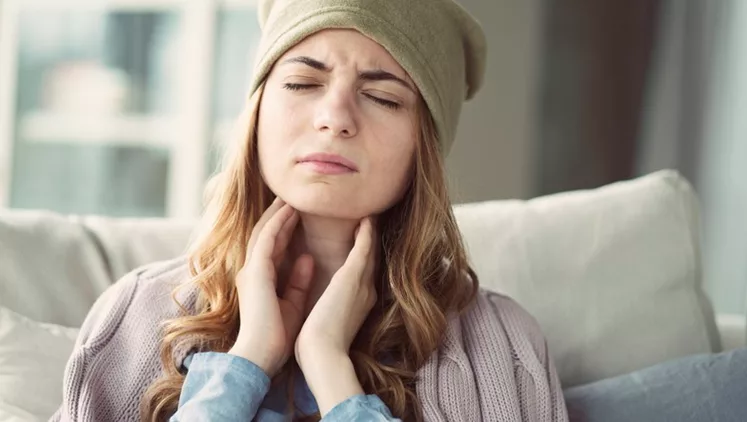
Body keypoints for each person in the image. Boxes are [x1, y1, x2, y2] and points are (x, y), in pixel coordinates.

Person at [52, 0, 568, 421]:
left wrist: (329, 365)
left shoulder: (504, 347)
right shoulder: (136, 315)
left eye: (383, 97)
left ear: (425, 149)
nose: (335, 117)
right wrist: (248, 360)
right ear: (256, 114)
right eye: (302, 83)